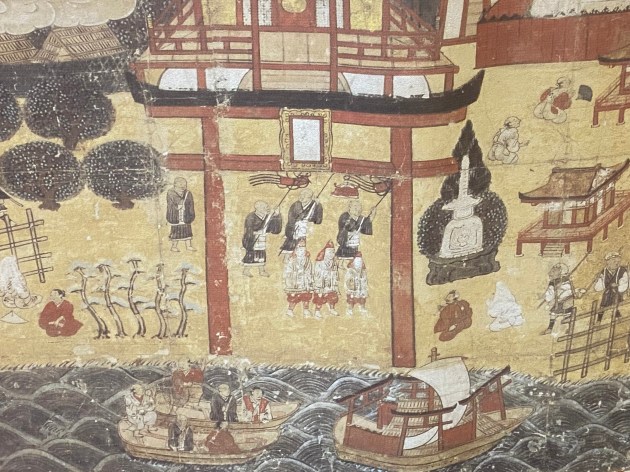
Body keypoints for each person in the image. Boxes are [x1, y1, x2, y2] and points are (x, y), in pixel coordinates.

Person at [242, 200, 282, 277]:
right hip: (253, 240)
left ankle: (261, 271)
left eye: (267, 207)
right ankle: (246, 270)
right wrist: (257, 232)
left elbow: (275, 230)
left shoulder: (267, 217)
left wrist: (277, 215)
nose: (267, 208)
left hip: (262, 239)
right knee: (251, 255)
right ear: (258, 208)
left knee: (261, 255)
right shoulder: (251, 217)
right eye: (264, 207)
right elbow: (248, 230)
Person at [279, 189, 323, 256]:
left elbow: (318, 220)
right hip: (294, 230)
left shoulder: (315, 205)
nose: (302, 197)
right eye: (301, 195)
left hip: (306, 230)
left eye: (305, 196)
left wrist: (317, 206)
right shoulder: (296, 205)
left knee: (301, 250)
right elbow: (291, 219)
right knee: (290, 251)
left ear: (310, 198)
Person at [541, 263, 575, 335]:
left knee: (568, 314)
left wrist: (561, 292)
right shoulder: (553, 282)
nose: (551, 273)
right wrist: (548, 297)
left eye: (554, 271)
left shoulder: (566, 280)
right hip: (558, 302)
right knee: (553, 314)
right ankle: (550, 328)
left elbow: (569, 290)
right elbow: (550, 292)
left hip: (566, 301)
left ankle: (570, 328)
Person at [594, 252, 628, 322]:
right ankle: (616, 315)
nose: (616, 263)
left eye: (618, 262)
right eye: (614, 261)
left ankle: (600, 319)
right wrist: (599, 279)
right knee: (607, 295)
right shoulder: (603, 272)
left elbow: (624, 284)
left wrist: (617, 286)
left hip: (618, 294)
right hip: (608, 294)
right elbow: (598, 288)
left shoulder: (622, 271)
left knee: (612, 294)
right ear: (608, 262)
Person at [283, 239, 314, 318]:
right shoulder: (292, 260)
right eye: (300, 247)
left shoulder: (307, 260)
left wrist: (308, 278)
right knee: (293, 296)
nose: (301, 249)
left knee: (306, 296)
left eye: (303, 247)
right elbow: (288, 271)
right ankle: (290, 310)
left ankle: (306, 310)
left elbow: (309, 270)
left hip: (304, 282)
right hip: (294, 282)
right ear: (296, 248)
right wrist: (293, 277)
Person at [167, 177, 196, 252]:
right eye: (180, 185)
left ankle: (189, 246)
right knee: (175, 231)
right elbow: (171, 204)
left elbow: (191, 204)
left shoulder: (188, 193)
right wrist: (177, 207)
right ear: (175, 185)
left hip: (185, 215)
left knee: (187, 230)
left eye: (184, 185)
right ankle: (174, 246)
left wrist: (191, 214)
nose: (182, 187)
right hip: (176, 215)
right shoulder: (171, 192)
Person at [313, 241, 339, 318]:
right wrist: (321, 284)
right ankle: (317, 311)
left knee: (333, 296)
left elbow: (335, 272)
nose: (331, 254)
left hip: (330, 283)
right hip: (321, 283)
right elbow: (317, 274)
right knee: (320, 297)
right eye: (329, 252)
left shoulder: (334, 262)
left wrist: (334, 279)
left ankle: (332, 309)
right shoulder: (320, 263)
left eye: (333, 252)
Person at [345, 252, 368, 316]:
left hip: (361, 289)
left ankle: (362, 308)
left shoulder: (363, 272)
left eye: (360, 262)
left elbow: (365, 280)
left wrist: (364, 287)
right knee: (351, 299)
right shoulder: (350, 271)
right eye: (357, 262)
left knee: (362, 298)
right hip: (353, 289)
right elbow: (348, 280)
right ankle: (350, 309)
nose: (359, 265)